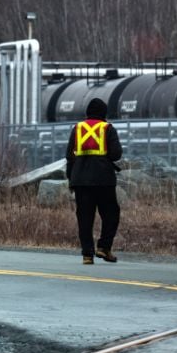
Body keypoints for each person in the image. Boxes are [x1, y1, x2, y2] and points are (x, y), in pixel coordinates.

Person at [65, 98, 122, 264]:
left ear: (87, 112)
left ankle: (87, 255)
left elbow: (70, 156)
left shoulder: (77, 129)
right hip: (104, 180)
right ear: (104, 113)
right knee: (111, 214)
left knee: (84, 218)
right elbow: (116, 154)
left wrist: (71, 180)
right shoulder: (107, 128)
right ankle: (104, 248)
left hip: (81, 181)